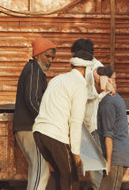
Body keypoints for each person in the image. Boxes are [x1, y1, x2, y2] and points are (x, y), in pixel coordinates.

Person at [33, 50, 94, 190]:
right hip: (55, 135)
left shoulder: (58, 79)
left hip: (39, 132)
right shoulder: (79, 85)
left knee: (56, 174)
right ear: (87, 69)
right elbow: (76, 121)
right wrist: (76, 152)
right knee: (71, 178)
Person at [70, 39, 115, 190]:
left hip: (93, 124)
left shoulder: (96, 68)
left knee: (96, 167)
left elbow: (93, 93)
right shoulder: (88, 66)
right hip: (85, 123)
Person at [13, 37, 56, 190]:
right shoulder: (34, 70)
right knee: (41, 170)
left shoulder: (33, 70)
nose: (50, 60)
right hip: (30, 128)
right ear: (37, 55)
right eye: (47, 56)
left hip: (27, 127)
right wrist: (45, 123)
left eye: (52, 57)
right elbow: (32, 100)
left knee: (36, 170)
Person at [95, 66, 129, 190]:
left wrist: (108, 162)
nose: (94, 84)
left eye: (95, 81)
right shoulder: (113, 98)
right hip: (118, 156)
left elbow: (108, 135)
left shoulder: (108, 103)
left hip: (116, 157)